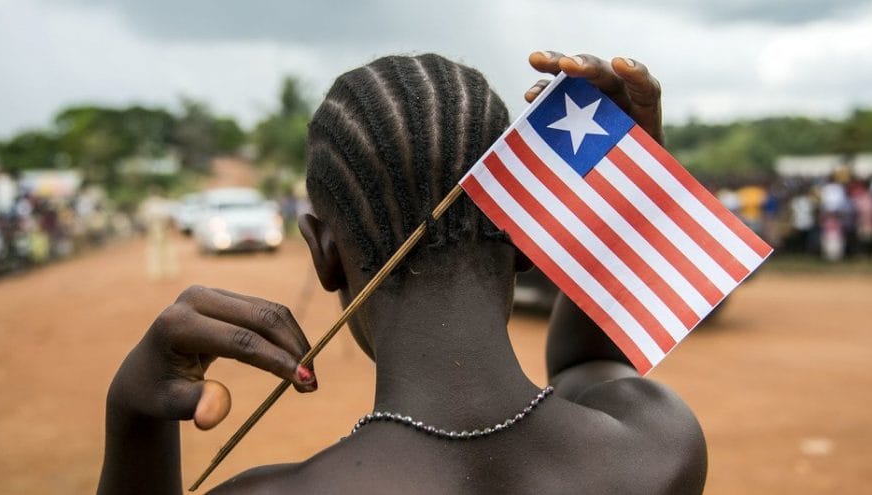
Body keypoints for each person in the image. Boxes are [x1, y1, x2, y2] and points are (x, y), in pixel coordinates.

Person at [98, 52, 707, 494]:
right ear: (528, 235)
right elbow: (584, 366)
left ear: (323, 253)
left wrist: (132, 413)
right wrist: (619, 191)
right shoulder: (653, 445)